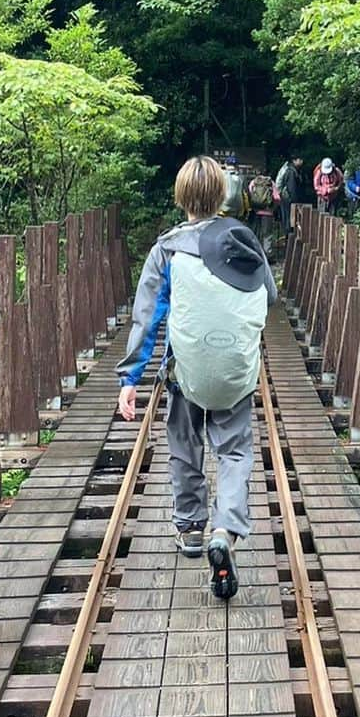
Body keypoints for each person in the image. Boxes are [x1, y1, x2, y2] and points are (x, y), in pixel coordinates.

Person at [116, 155, 277, 600]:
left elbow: (148, 317)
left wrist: (130, 378)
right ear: (224, 196)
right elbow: (271, 296)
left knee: (186, 446)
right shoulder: (242, 240)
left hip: (184, 371)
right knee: (235, 451)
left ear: (180, 196)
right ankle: (225, 527)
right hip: (235, 373)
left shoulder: (166, 249)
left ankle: (189, 529)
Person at [247, 167, 280, 261]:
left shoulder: (254, 182)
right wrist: (274, 208)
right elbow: (277, 198)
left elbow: (249, 194)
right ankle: (268, 255)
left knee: (255, 233)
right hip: (268, 212)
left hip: (256, 211)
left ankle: (254, 253)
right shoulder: (271, 183)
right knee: (267, 235)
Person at [275, 155, 304, 235]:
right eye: (299, 159)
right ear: (294, 161)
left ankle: (288, 238)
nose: (301, 161)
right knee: (289, 221)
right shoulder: (291, 172)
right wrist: (295, 202)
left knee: (288, 220)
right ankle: (288, 239)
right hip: (288, 201)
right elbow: (292, 188)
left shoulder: (292, 170)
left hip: (285, 199)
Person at [219, 154, 249, 220]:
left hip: (222, 210)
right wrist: (247, 211)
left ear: (225, 165)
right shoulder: (242, 177)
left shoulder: (220, 176)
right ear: (236, 166)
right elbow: (245, 195)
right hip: (238, 211)